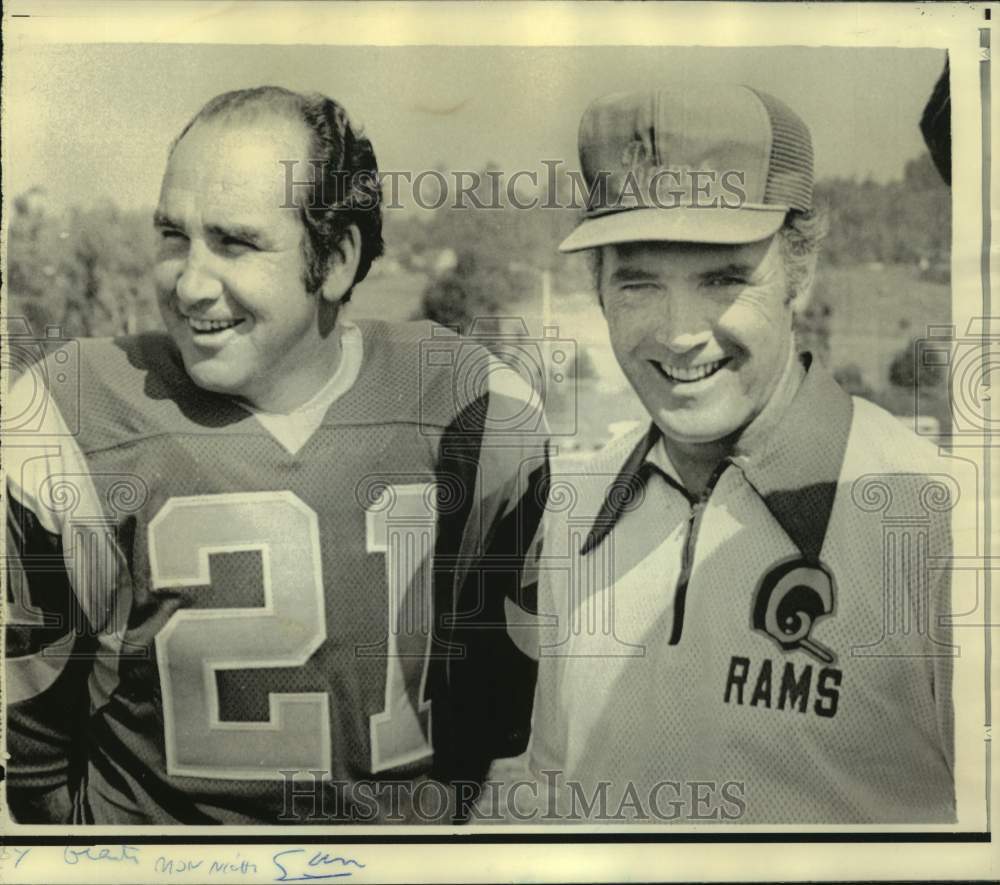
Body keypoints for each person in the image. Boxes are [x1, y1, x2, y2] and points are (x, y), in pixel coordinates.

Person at [4, 86, 548, 825]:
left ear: (336, 261)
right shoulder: (72, 411)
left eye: (235, 241)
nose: (190, 283)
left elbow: (491, 716)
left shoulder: (471, 407)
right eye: (173, 235)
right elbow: (35, 754)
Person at [522, 84, 959, 824]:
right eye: (638, 282)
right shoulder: (576, 507)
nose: (680, 332)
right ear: (596, 288)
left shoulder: (935, 519)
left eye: (723, 278)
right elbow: (554, 793)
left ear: (800, 271)